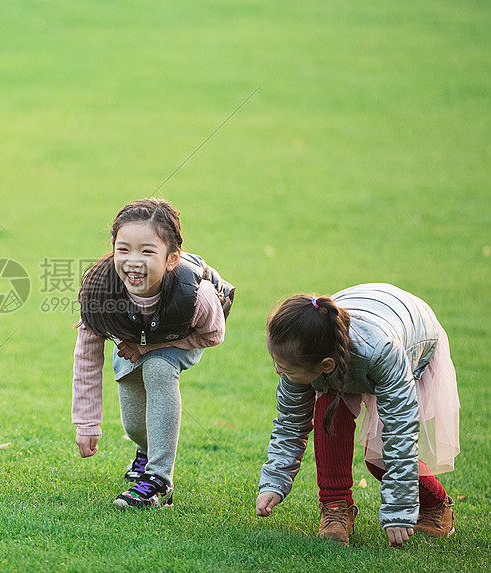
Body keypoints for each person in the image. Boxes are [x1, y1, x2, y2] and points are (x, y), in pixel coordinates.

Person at [256, 284, 460, 546]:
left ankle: (437, 506)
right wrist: (273, 483)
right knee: (329, 410)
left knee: (378, 459)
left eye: (283, 367)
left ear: (325, 365)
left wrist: (399, 511)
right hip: (353, 332)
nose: (277, 372)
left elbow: (400, 431)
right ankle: (335, 508)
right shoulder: (298, 355)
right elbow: (290, 425)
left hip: (413, 334)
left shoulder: (383, 353)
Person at [71, 198, 234, 508]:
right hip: (129, 342)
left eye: (147, 251)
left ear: (172, 258)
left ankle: (159, 481)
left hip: (180, 339)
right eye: (124, 249)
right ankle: (146, 451)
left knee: (157, 367)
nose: (133, 260)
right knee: (134, 425)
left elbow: (213, 335)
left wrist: (148, 348)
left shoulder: (196, 294)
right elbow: (87, 357)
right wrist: (87, 423)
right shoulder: (100, 290)